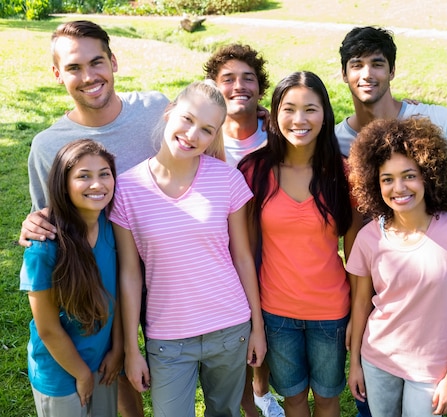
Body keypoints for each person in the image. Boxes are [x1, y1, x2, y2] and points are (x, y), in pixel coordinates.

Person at [19, 20, 169, 417]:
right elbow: (48, 220)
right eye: (73, 67)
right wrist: (31, 223)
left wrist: (256, 118)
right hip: (103, 278)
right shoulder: (47, 146)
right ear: (57, 74)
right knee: (113, 363)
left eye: (96, 62)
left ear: (114, 61)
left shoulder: (156, 110)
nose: (88, 77)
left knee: (180, 360)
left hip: (168, 268)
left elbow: (202, 131)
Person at [110, 80, 266, 417]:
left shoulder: (227, 179)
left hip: (230, 329)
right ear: (169, 113)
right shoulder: (126, 188)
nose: (193, 134)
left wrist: (257, 327)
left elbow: (242, 257)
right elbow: (130, 273)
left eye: (207, 130)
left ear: (215, 136)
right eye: (187, 119)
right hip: (167, 338)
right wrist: (132, 350)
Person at [345, 117, 447, 416]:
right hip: (378, 359)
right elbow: (360, 304)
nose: (399, 188)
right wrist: (356, 364)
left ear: (427, 174)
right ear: (375, 182)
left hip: (430, 367)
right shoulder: (368, 237)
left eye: (409, 175)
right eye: (387, 179)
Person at [238, 71, 362, 417]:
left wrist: (357, 314)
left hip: (331, 312)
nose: (299, 119)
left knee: (326, 399)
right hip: (275, 311)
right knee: (292, 399)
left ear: (325, 114)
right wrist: (254, 319)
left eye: (311, 109)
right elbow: (245, 251)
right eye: (289, 109)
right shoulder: (253, 171)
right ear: (275, 114)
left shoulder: (344, 172)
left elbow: (355, 250)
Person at [204, 44, 284, 417]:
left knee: (263, 323)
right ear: (214, 87)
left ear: (260, 87)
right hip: (218, 253)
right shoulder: (202, 139)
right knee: (233, 336)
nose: (239, 86)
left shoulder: (278, 137)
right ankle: (249, 404)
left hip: (272, 250)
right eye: (228, 79)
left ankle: (264, 393)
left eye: (248, 78)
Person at [20, 139, 121, 417]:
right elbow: (48, 329)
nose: (97, 184)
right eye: (83, 176)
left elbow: (118, 296)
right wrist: (81, 374)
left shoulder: (109, 225)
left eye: (104, 173)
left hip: (101, 359)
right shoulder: (44, 248)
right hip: (60, 370)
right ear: (63, 184)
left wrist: (119, 349)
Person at [336, 26, 447, 169]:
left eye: (377, 64)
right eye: (357, 65)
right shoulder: (332, 142)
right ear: (344, 74)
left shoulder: (432, 120)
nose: (367, 74)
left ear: (392, 71)